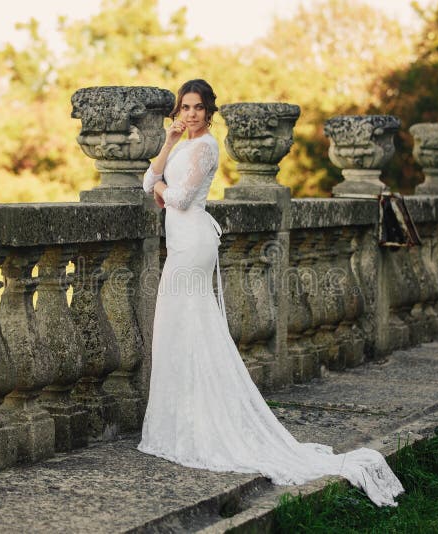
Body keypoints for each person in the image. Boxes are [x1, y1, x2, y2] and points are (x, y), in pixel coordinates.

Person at [137, 79, 404, 507]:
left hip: (193, 244)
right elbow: (147, 181)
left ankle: (202, 425)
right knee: (176, 329)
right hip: (181, 243)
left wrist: (160, 189)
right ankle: (182, 421)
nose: (190, 114)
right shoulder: (181, 143)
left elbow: (181, 198)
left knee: (189, 327)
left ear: (209, 112)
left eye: (198, 108)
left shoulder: (207, 147)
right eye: (184, 107)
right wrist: (166, 148)